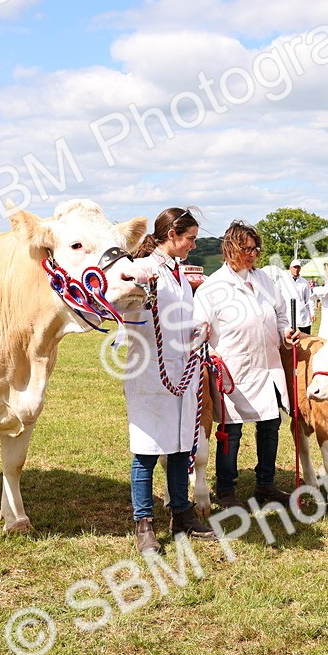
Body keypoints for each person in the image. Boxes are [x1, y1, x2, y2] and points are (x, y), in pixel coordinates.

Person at [123, 207, 216, 554]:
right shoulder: (145, 269)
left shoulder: (177, 273)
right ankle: (144, 524)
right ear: (172, 235)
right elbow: (125, 301)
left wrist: (196, 330)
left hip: (182, 372)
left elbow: (177, 319)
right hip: (149, 372)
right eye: (190, 238)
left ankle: (181, 514)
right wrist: (136, 278)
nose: (194, 244)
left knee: (180, 447)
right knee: (146, 451)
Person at [194, 221, 301, 510]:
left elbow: (280, 313)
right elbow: (198, 329)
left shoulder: (264, 279)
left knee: (271, 424)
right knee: (231, 430)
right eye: (246, 249)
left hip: (268, 366)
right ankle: (226, 489)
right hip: (234, 370)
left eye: (256, 249)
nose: (252, 255)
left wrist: (285, 332)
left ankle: (265, 484)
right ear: (230, 249)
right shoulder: (212, 288)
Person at [285, 259, 315, 334]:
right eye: (294, 267)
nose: (296, 269)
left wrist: (312, 312)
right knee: (289, 337)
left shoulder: (304, 282)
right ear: (290, 268)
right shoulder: (284, 281)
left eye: (298, 267)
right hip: (288, 313)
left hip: (302, 313)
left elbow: (309, 298)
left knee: (306, 336)